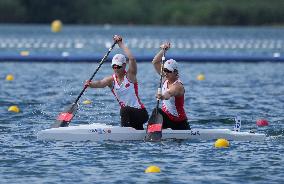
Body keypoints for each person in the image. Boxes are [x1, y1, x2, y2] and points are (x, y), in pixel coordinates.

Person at [85, 35, 148, 130]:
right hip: (130, 117)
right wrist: (90, 84)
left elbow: (132, 59)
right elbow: (100, 83)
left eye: (118, 66)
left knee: (124, 110)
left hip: (141, 113)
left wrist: (120, 43)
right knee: (134, 128)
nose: (116, 69)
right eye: (114, 66)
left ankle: (124, 132)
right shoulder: (111, 80)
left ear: (124, 65)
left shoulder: (130, 76)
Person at [151, 42, 190, 130]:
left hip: (179, 123)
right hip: (167, 119)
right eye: (164, 70)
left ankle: (152, 132)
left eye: (168, 71)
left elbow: (169, 93)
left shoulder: (178, 86)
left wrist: (162, 96)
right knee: (157, 111)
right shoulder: (166, 78)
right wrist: (163, 50)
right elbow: (155, 62)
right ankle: (151, 130)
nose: (165, 73)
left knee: (156, 111)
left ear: (175, 72)